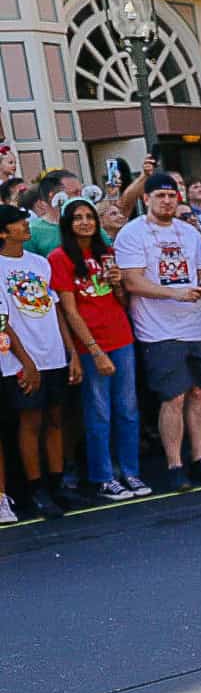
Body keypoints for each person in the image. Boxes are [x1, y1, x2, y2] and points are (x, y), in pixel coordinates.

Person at [114, 171, 201, 489]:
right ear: (146, 198)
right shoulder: (133, 233)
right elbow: (132, 281)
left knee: (198, 392)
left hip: (195, 324)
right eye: (160, 196)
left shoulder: (188, 232)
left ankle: (199, 458)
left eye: (171, 195)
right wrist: (175, 293)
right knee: (173, 396)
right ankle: (174, 464)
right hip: (158, 329)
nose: (167, 201)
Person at [49, 196, 146, 500]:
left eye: (89, 217)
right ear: (68, 223)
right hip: (90, 343)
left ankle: (130, 471)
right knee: (98, 412)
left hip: (122, 337)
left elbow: (122, 302)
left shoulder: (107, 252)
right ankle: (104, 477)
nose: (85, 223)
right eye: (78, 218)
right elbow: (69, 310)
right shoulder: (59, 258)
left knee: (128, 409)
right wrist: (93, 350)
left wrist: (117, 284)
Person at [0, 203, 80, 518]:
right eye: (18, 222)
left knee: (55, 419)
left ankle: (58, 483)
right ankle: (36, 489)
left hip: (53, 354)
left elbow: (55, 308)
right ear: (3, 232)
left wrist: (71, 351)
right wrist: (26, 362)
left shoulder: (40, 263)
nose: (25, 225)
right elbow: (3, 321)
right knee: (30, 422)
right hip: (20, 360)